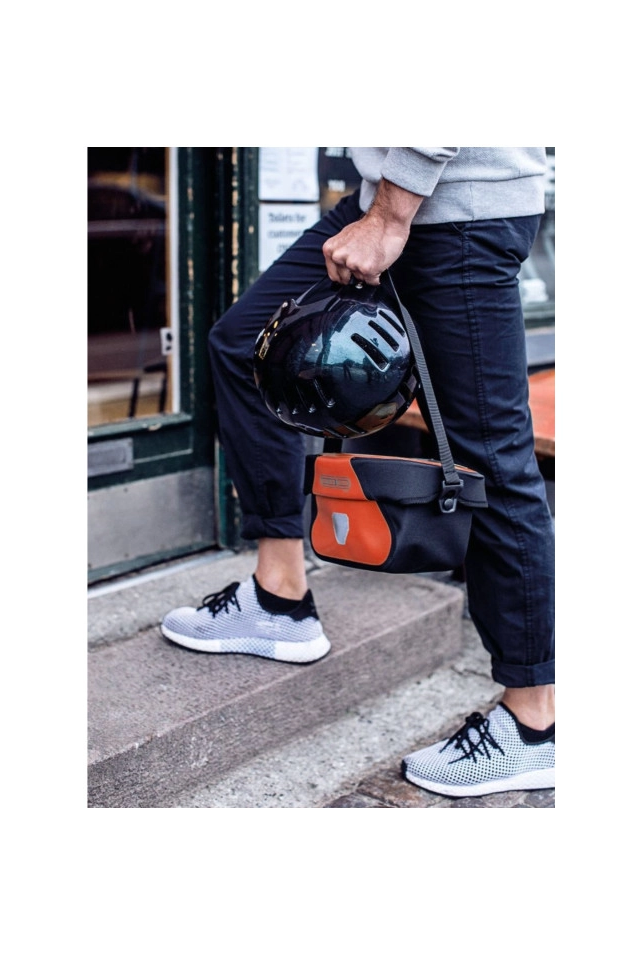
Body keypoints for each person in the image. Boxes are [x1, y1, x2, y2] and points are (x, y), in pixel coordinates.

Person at [161, 148, 555, 798]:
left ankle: (534, 723)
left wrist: (390, 217)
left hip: (457, 212)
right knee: (245, 343)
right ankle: (279, 599)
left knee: (491, 458)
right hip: (389, 198)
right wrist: (383, 206)